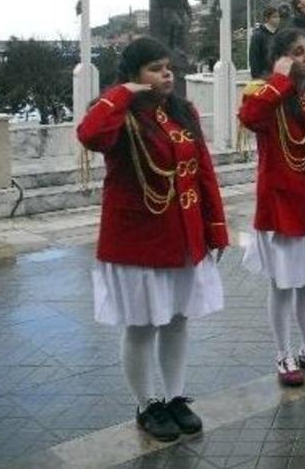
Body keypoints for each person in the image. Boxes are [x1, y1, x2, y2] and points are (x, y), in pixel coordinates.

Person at [76, 37, 228, 443]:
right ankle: (147, 404)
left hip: (182, 235)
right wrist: (121, 94)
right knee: (142, 325)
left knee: (178, 320)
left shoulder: (183, 112)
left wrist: (215, 228)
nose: (166, 75)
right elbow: (89, 136)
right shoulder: (118, 114)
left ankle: (175, 396)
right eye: (155, 69)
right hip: (137, 241)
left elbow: (204, 173)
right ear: (133, 75)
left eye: (169, 68)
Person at [238, 28, 305, 387]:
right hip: (282, 204)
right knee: (284, 284)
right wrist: (279, 78)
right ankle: (283, 353)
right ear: (283, 59)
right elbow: (250, 118)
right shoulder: (267, 98)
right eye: (298, 52)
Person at [248, 7, 281, 79]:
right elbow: (254, 57)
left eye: (278, 17)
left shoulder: (281, 34)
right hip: (264, 75)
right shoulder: (258, 35)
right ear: (266, 19)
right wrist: (256, 76)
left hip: (279, 74)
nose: (278, 19)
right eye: (274, 17)